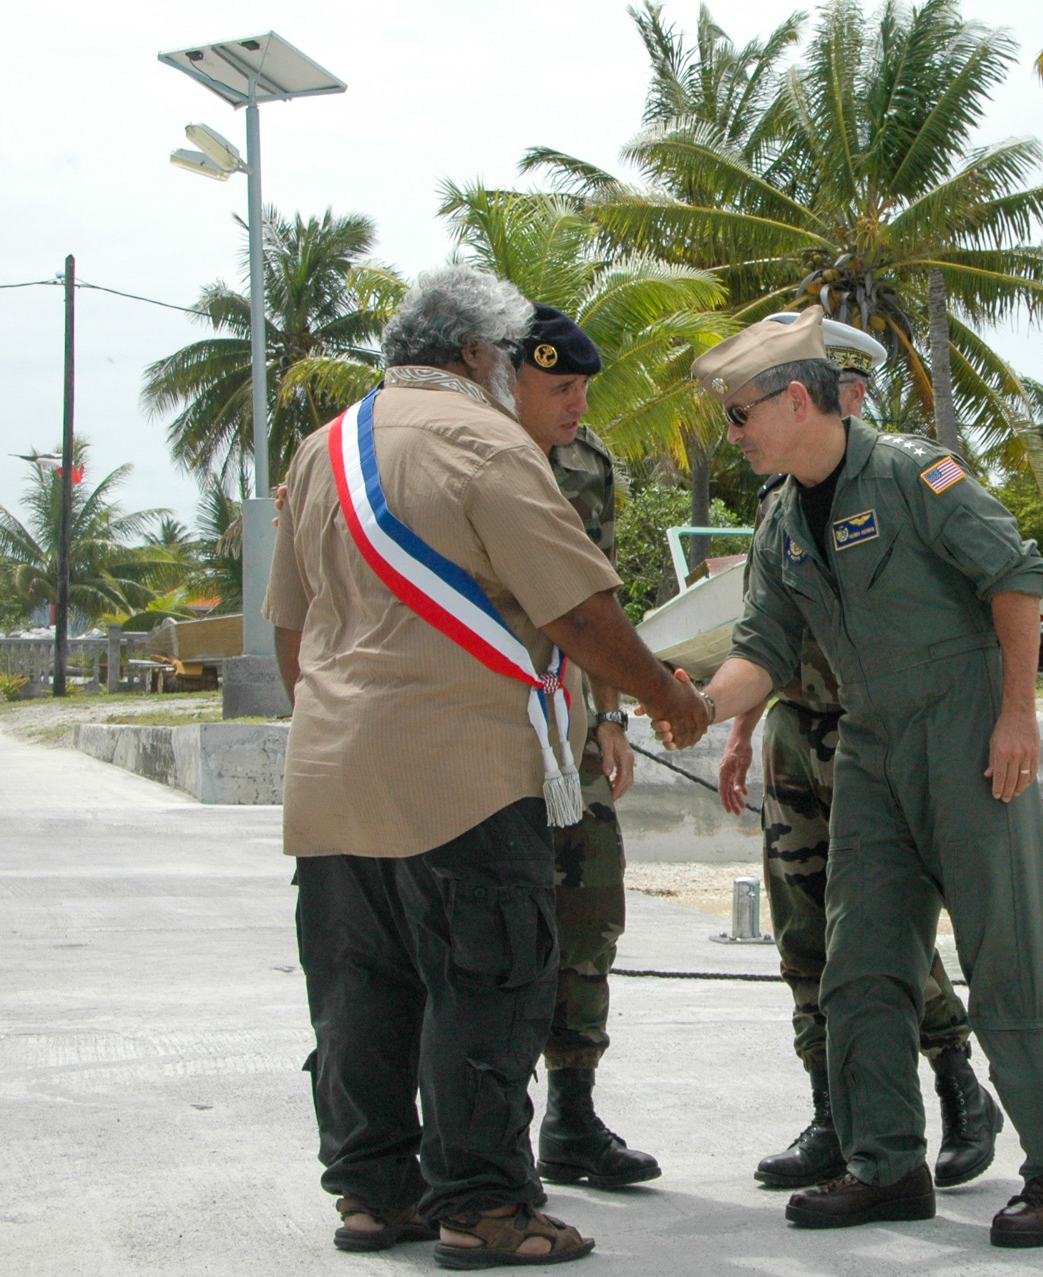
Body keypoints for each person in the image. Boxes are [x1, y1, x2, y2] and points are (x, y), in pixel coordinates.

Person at [266, 266, 707, 1265]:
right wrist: (668, 697)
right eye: (509, 354)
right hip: (463, 773)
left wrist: (348, 719)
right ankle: (485, 1206)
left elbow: (292, 631)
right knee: (488, 981)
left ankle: (376, 1195)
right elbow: (580, 611)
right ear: (474, 354)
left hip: (332, 775)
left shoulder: (324, 448)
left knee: (361, 993)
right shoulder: (486, 442)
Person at [666, 309, 1043, 1247]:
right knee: (859, 958)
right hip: (868, 745)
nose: (732, 435)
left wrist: (1017, 714)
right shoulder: (783, 517)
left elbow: (1015, 574)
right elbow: (763, 647)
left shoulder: (912, 472)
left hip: (964, 735)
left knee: (1011, 954)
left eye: (740, 415)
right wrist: (700, 706)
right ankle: (886, 1162)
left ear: (796, 399)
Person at [717, 313, 1001, 1192]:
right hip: (793, 730)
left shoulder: (901, 478)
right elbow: (766, 629)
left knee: (876, 933)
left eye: (852, 387)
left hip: (873, 733)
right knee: (802, 931)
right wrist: (739, 729)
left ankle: (957, 1081)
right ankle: (832, 1113)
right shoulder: (778, 504)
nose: (852, 398)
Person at [503, 303, 663, 1191]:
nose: (577, 404)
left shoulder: (586, 465)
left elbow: (598, 598)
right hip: (482, 720)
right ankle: (486, 1124)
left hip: (567, 720)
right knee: (489, 918)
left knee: (590, 900)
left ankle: (571, 1112)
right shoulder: (462, 452)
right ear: (510, 378)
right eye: (560, 386)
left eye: (585, 389)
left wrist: (611, 716)